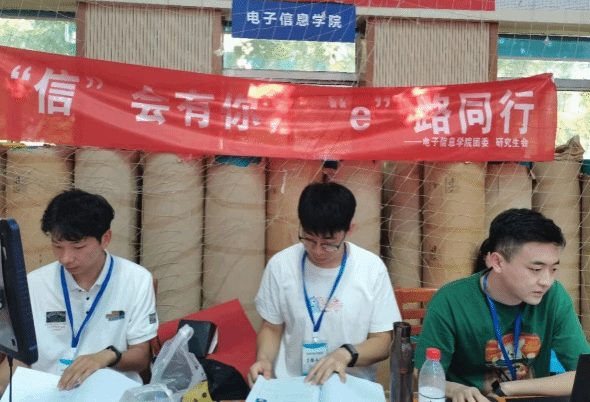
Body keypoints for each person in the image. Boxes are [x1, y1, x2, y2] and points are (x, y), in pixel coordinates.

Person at [415, 208, 590, 401]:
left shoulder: (554, 296)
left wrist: (509, 388)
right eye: (536, 269)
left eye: (553, 269)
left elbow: (584, 376)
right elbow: (422, 375)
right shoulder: (450, 300)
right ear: (497, 262)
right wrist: (454, 389)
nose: (546, 281)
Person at [0, 189, 158, 395]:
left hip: (109, 393)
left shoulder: (136, 280)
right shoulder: (33, 284)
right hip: (47, 392)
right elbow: (19, 360)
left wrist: (107, 356)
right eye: (58, 246)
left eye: (78, 247)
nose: (66, 258)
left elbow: (141, 357)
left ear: (105, 239)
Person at [248, 182, 401, 387]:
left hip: (349, 387)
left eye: (329, 244)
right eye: (309, 239)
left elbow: (383, 341)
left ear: (349, 230)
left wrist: (346, 354)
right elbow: (271, 328)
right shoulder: (281, 265)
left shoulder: (371, 269)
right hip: (293, 385)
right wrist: (264, 359)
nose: (317, 251)